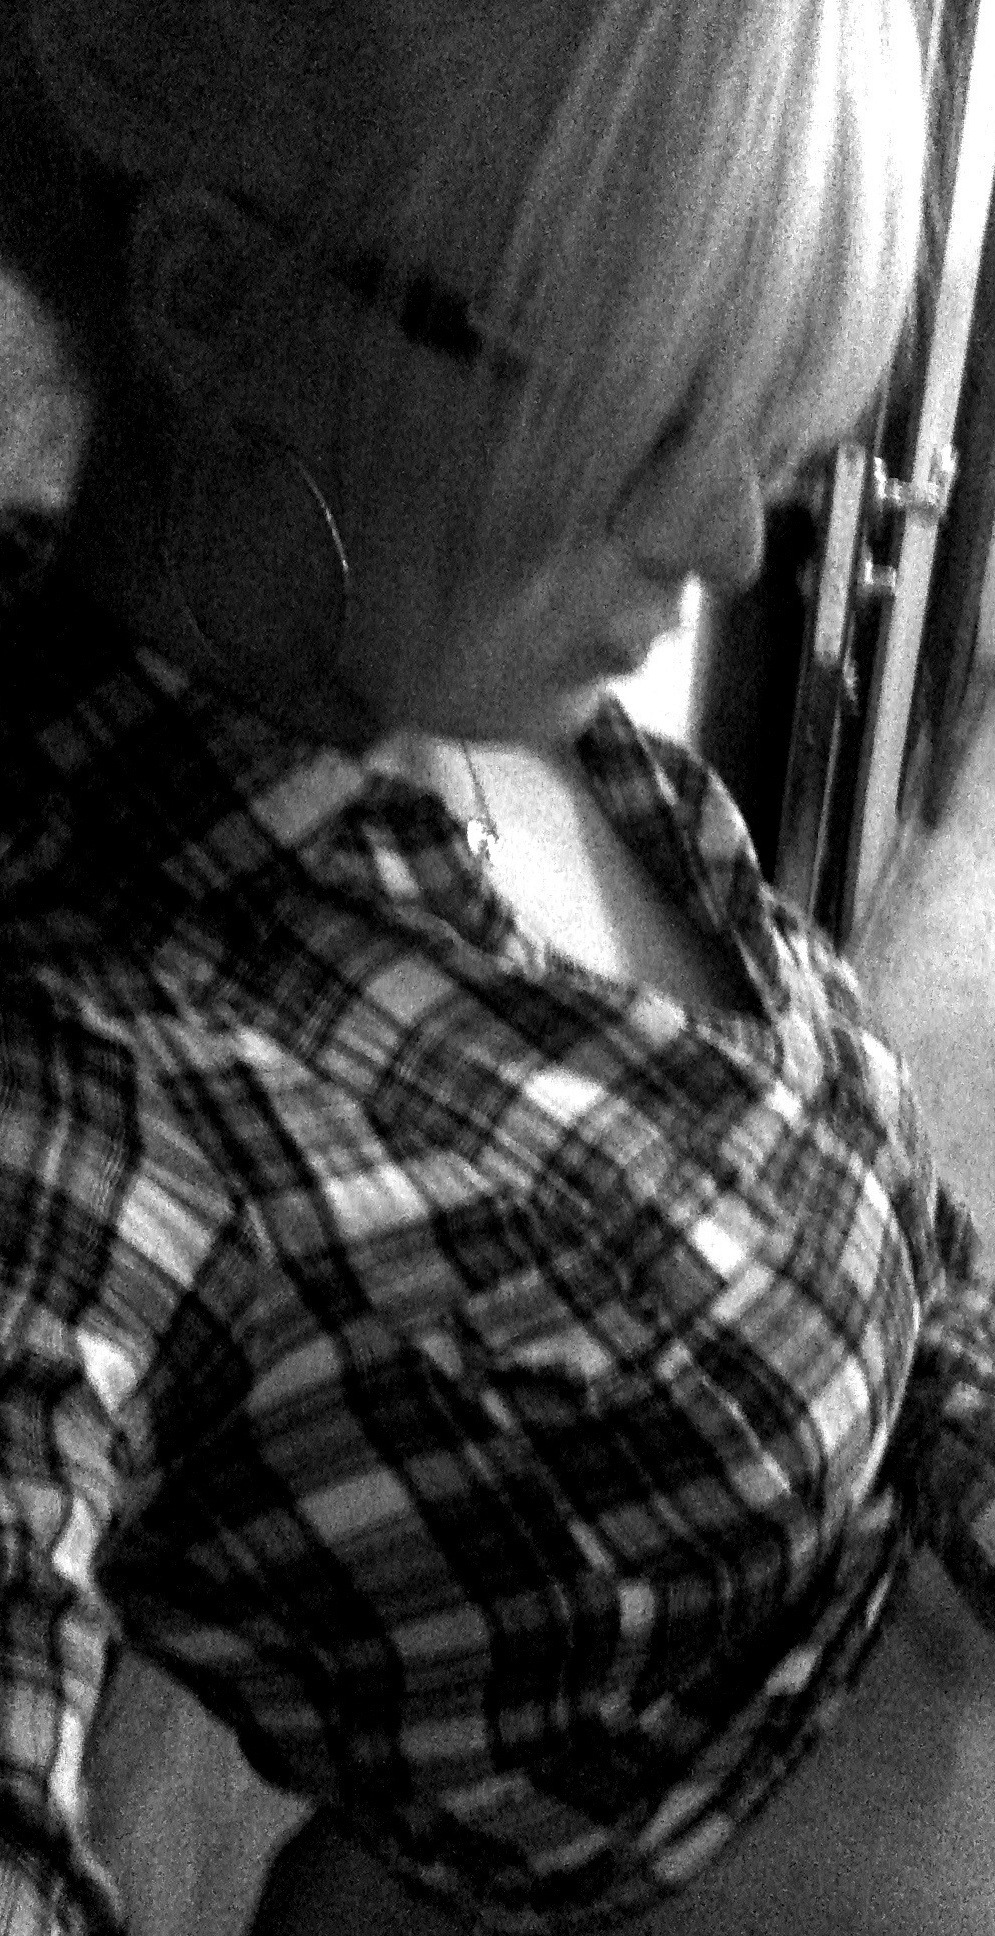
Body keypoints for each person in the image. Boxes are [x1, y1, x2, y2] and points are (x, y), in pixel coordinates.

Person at [5, 2, 995, 1934]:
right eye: (644, 421)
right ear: (217, 301)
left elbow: (873, 1199)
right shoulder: (97, 1068)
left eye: (761, 425)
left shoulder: (504, 710)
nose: (732, 541)